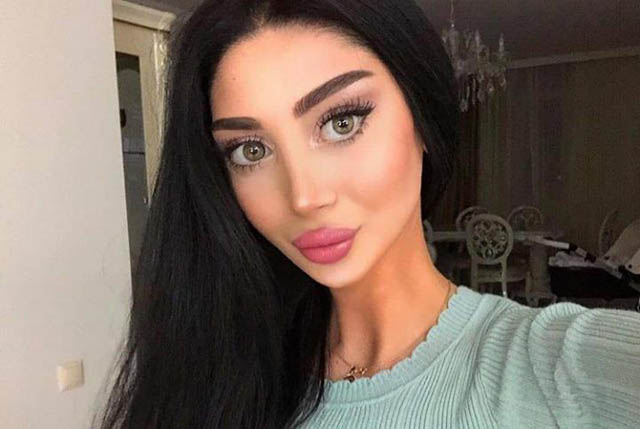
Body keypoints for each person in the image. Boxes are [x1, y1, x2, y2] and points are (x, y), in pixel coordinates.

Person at [94, 0, 640, 427]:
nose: (304, 197)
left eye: (342, 122)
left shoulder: (565, 367)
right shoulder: (215, 372)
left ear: (422, 117)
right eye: (251, 150)